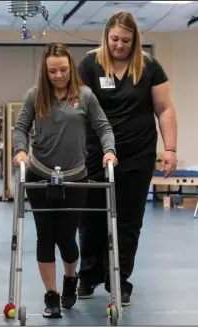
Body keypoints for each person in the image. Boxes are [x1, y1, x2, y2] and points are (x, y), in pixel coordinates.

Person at [77, 11, 178, 307]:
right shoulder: (90, 64)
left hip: (138, 154)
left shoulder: (149, 66)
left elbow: (165, 109)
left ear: (135, 41)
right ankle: (87, 275)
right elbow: (78, 108)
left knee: (129, 219)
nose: (119, 45)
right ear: (106, 37)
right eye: (114, 39)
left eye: (126, 40)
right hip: (96, 153)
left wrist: (170, 150)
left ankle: (119, 280)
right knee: (90, 216)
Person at [12, 42, 118, 318]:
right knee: (45, 236)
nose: (58, 76)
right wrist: (21, 151)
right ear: (44, 72)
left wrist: (109, 151)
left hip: (74, 178)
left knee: (67, 238)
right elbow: (21, 127)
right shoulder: (34, 96)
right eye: (52, 71)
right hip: (40, 175)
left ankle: (71, 277)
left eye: (62, 70)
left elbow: (103, 126)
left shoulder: (85, 96)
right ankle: (51, 295)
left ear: (70, 67)